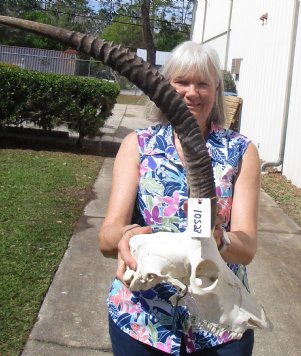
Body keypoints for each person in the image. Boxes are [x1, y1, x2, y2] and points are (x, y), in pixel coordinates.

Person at [98, 41, 261, 356]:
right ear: (164, 87)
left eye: (203, 83)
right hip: (142, 322)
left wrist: (218, 238)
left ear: (216, 90)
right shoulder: (138, 145)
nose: (192, 92)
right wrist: (125, 237)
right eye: (182, 82)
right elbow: (107, 237)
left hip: (219, 325)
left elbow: (247, 248)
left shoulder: (241, 151)